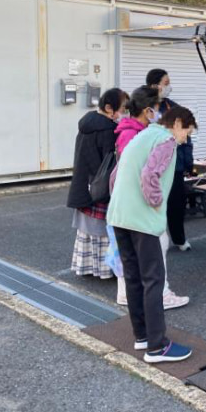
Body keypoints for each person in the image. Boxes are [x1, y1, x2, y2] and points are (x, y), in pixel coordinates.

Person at [107, 106, 197, 363]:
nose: (184, 139)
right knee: (154, 279)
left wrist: (123, 203)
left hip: (120, 215)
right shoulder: (165, 140)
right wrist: (156, 204)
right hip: (142, 220)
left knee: (133, 277)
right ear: (178, 123)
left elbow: (115, 175)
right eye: (186, 133)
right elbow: (150, 176)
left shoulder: (141, 135)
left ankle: (143, 336)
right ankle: (158, 347)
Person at [113, 86, 189, 310]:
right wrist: (154, 202)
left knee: (132, 255)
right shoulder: (134, 134)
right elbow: (140, 173)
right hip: (139, 205)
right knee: (156, 248)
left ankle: (128, 294)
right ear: (148, 110)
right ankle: (161, 295)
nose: (161, 113)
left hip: (129, 205)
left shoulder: (132, 130)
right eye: (158, 108)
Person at [67, 88, 128, 279]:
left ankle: (86, 267)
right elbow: (110, 164)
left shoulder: (87, 122)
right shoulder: (108, 130)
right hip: (100, 189)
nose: (124, 113)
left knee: (86, 233)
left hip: (83, 184)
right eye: (123, 108)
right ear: (110, 108)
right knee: (103, 233)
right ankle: (105, 270)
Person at [146, 69, 193, 252]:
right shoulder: (143, 108)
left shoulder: (173, 108)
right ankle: (152, 240)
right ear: (154, 85)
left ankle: (179, 239)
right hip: (151, 167)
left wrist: (188, 162)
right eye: (166, 83)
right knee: (152, 203)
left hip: (175, 165)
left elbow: (186, 137)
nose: (169, 87)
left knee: (176, 204)